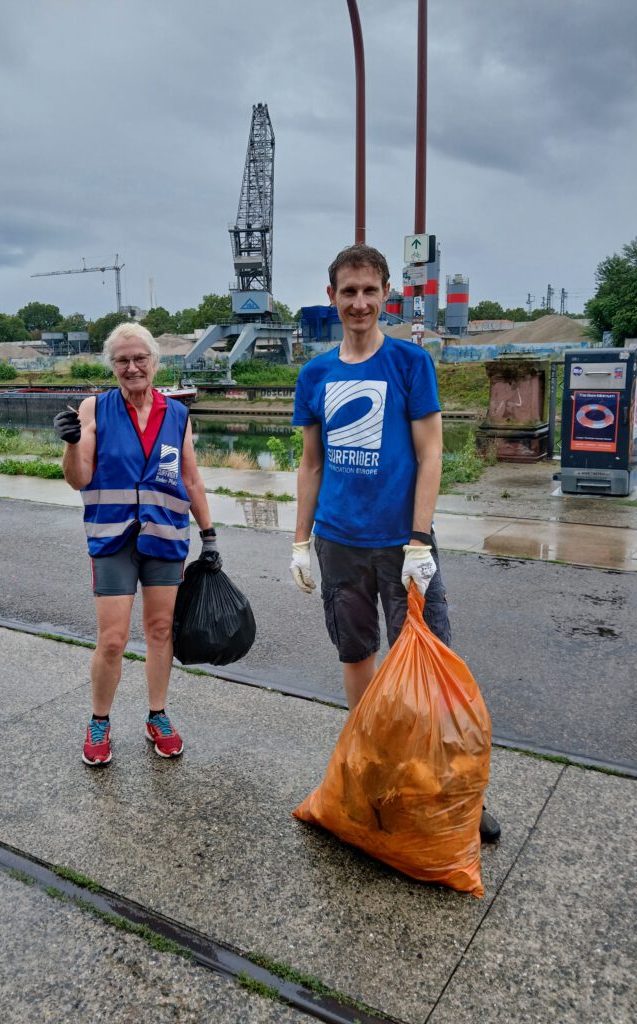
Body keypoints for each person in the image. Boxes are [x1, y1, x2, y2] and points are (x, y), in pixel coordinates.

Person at [289, 243, 500, 843]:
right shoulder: (316, 374)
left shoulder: (410, 365)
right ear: (332, 297)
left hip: (402, 544)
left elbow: (431, 453)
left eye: (369, 291)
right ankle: (371, 777)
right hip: (339, 541)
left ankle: (454, 789)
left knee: (432, 662)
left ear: (386, 295)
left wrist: (417, 538)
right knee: (356, 657)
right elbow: (309, 465)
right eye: (348, 291)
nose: (359, 302)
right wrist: (300, 541)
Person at [53, 322, 219, 765]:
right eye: (122, 360)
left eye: (140, 358)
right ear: (113, 366)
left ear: (155, 363)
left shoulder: (177, 414)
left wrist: (209, 534)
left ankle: (157, 715)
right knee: (112, 639)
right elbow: (79, 479)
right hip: (112, 538)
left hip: (166, 537)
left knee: (161, 631)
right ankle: (99, 721)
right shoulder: (95, 409)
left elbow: (190, 477)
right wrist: (70, 444)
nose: (132, 367)